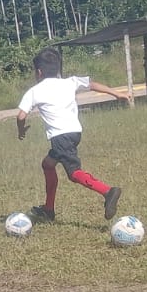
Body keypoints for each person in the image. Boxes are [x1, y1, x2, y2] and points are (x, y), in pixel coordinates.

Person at [15, 47, 129, 223]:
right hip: (75, 133)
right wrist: (117, 94)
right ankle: (48, 209)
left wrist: (21, 130)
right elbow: (92, 84)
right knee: (48, 164)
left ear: (39, 72)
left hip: (60, 137)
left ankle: (108, 191)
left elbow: (21, 116)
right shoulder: (70, 82)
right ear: (58, 69)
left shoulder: (34, 91)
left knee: (74, 173)